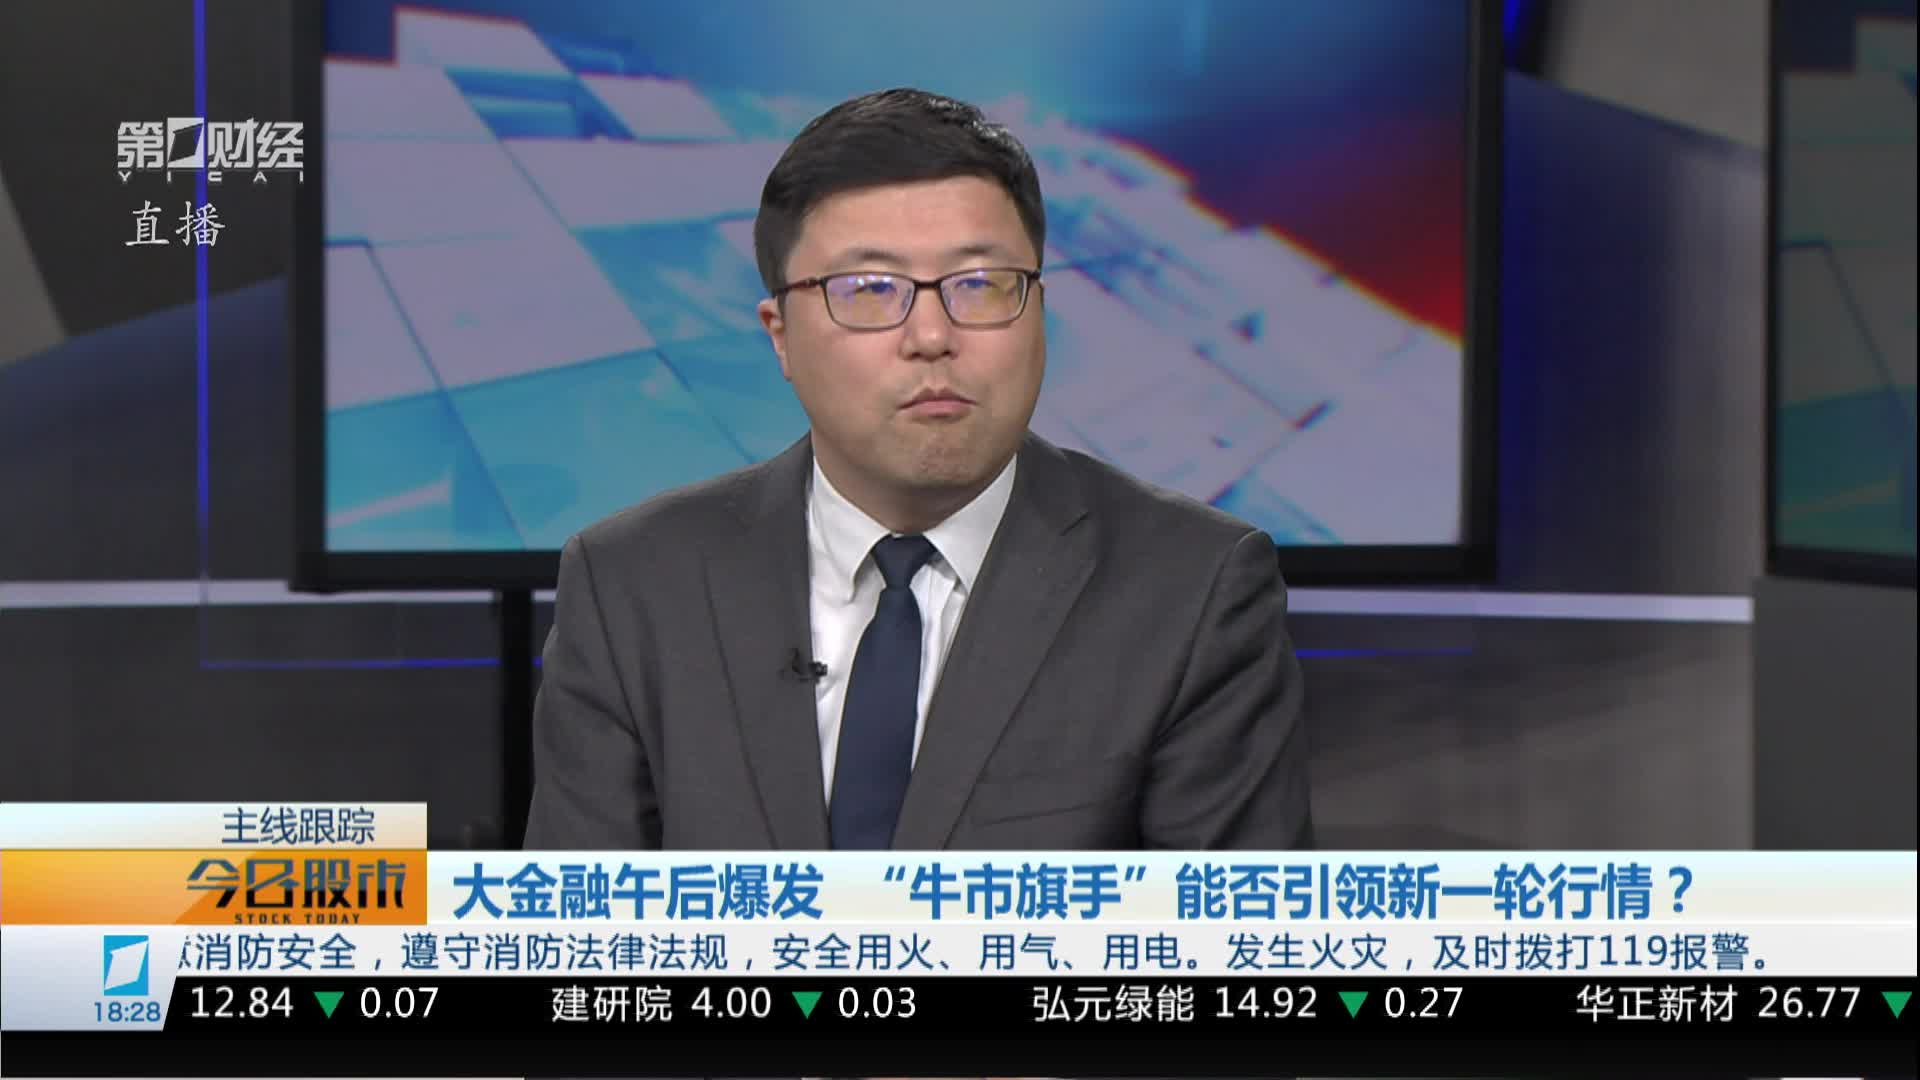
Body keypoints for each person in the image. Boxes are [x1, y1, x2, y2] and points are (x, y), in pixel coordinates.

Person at [523, 88, 1312, 851]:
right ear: (780, 335)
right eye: (869, 289)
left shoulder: (1194, 587)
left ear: (1039, 311)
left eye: (981, 285)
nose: (932, 336)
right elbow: (584, 925)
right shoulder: (631, 584)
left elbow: (1225, 929)